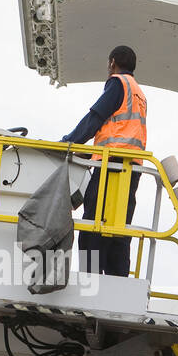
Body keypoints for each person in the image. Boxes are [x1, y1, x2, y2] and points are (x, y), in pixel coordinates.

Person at [60, 44, 147, 277]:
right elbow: (121, 133)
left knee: (92, 227)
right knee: (118, 229)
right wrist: (88, 153)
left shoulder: (118, 83)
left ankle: (88, 282)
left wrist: (68, 142)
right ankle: (117, 283)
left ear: (112, 63)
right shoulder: (138, 93)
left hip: (111, 167)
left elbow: (95, 117)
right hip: (130, 168)